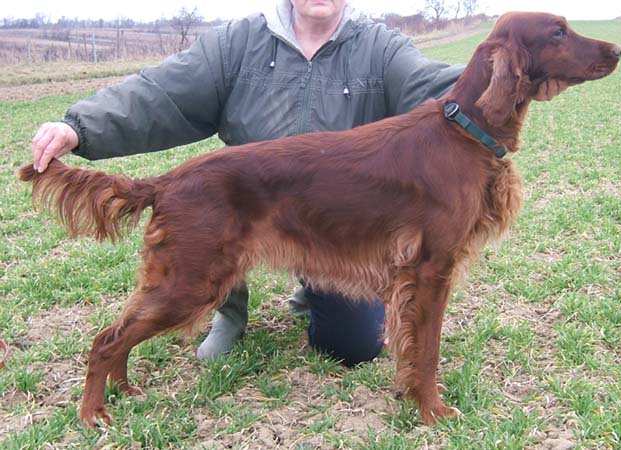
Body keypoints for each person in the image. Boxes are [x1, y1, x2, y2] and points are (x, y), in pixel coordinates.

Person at [31, 0, 464, 367]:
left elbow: (442, 85)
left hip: (337, 225)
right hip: (243, 210)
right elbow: (161, 93)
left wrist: (498, 66)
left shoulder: (380, 48)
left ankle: (314, 289)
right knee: (207, 248)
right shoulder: (239, 42)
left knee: (352, 347)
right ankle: (229, 312)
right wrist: (79, 127)